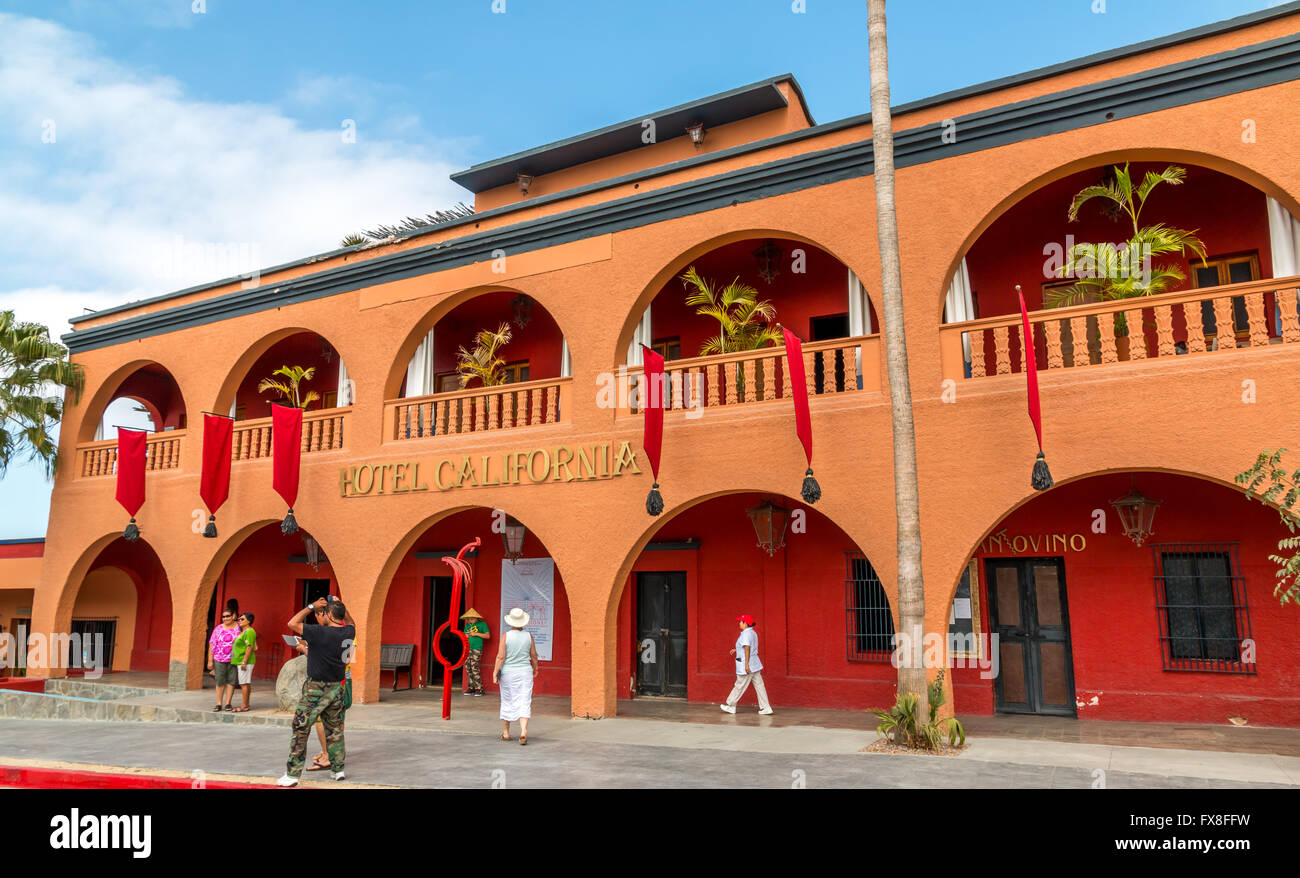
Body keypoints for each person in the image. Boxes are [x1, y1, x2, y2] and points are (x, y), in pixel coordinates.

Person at [277, 597, 355, 786]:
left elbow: (292, 623)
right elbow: (352, 621)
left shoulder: (319, 632)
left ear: (328, 614)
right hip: (336, 687)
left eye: (324, 612)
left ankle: (293, 775)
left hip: (316, 689)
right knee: (335, 730)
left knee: (300, 727)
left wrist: (311, 607)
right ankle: (338, 769)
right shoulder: (348, 631)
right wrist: (341, 606)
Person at [492, 607, 538, 745]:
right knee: (525, 700)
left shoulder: (506, 636)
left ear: (511, 622)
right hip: (525, 672)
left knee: (507, 700)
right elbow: (533, 655)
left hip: (508, 673)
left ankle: (506, 733)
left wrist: (495, 672)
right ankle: (523, 731)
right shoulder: (528, 636)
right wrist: (536, 668)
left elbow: (501, 657)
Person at [720, 614, 772, 715]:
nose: (739, 623)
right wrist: (737, 649)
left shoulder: (745, 634)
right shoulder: (752, 633)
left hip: (747, 664)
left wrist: (746, 665)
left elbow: (747, 648)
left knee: (740, 685)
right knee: (760, 686)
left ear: (746, 623)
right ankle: (766, 707)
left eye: (741, 622)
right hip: (755, 663)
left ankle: (731, 705)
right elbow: (747, 647)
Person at [206, 607, 241, 711]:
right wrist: (209, 660)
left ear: (233, 616)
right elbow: (212, 644)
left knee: (231, 681)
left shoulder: (239, 628)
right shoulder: (218, 629)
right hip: (219, 658)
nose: (225, 618)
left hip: (233, 659)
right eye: (223, 617)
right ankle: (219, 703)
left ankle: (228, 703)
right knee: (220, 681)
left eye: (228, 616)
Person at [460, 608, 491, 696]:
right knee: (468, 667)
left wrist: (476, 634)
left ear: (477, 618)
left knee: (474, 667)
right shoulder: (467, 626)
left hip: (476, 648)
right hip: (467, 648)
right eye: (469, 619)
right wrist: (467, 636)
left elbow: (487, 636)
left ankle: (479, 688)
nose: (470, 620)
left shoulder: (482, 624)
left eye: (472, 618)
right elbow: (464, 636)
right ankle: (471, 687)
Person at [231, 612, 257, 712]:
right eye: (239, 619)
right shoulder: (245, 632)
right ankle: (246, 704)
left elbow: (249, 647)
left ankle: (244, 706)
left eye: (242, 619)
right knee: (245, 683)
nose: (239, 621)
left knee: (244, 684)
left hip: (244, 661)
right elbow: (255, 646)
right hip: (240, 660)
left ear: (249, 621)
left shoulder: (249, 631)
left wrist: (244, 662)